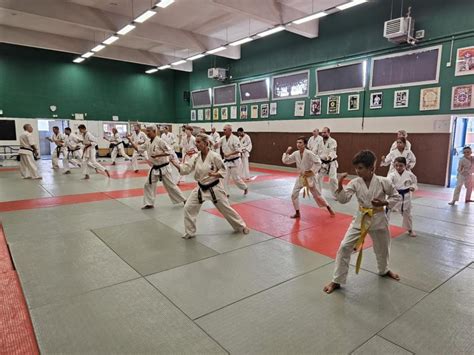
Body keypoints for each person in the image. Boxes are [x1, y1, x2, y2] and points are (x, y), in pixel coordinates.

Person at [323, 150, 401, 294]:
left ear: (372, 168)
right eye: (356, 168)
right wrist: (340, 184)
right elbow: (343, 199)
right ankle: (337, 280)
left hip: (379, 219)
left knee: (383, 248)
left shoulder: (384, 182)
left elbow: (397, 197)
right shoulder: (355, 182)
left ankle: (384, 270)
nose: (357, 171)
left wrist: (384, 202)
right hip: (361, 218)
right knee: (344, 247)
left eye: (361, 168)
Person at [172, 133, 249, 239]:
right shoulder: (196, 156)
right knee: (188, 208)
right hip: (200, 188)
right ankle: (190, 232)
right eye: (196, 142)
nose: (196, 144)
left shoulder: (215, 156)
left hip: (214, 188)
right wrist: (176, 164)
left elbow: (223, 170)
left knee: (226, 209)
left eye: (199, 142)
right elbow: (186, 168)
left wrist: (216, 174)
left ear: (206, 143)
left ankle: (241, 226)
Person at [133, 125, 186, 209]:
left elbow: (169, 152)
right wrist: (130, 141)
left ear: (154, 131)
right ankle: (149, 203)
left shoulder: (160, 141)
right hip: (154, 168)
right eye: (146, 131)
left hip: (164, 167)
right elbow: (139, 149)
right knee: (148, 184)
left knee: (171, 186)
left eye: (149, 131)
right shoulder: (148, 142)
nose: (147, 133)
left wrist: (158, 154)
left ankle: (184, 200)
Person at [282, 137, 335, 218]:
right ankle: (297, 212)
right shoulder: (296, 153)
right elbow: (286, 161)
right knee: (294, 195)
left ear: (305, 144)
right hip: (301, 177)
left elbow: (318, 162)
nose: (298, 144)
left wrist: (312, 171)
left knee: (317, 195)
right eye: (297, 142)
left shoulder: (309, 153)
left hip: (310, 177)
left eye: (300, 143)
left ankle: (328, 207)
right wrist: (287, 151)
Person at [214, 124, 248, 196]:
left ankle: (245, 187)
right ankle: (226, 193)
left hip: (235, 161)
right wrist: (213, 144)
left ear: (230, 130)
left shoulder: (235, 139)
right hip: (227, 161)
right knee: (224, 178)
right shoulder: (223, 138)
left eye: (225, 130)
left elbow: (239, 150)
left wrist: (229, 154)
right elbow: (217, 145)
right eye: (223, 130)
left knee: (236, 178)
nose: (224, 131)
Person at [387, 157, 418, 237]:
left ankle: (410, 229)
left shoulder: (410, 175)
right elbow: (388, 184)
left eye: (401, 166)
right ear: (394, 165)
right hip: (394, 196)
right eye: (396, 165)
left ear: (405, 165)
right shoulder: (392, 175)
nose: (398, 167)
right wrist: (393, 189)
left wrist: (413, 187)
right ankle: (384, 228)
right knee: (386, 211)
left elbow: (414, 183)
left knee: (407, 214)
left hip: (406, 196)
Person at [317, 127, 338, 194]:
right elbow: (315, 151)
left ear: (329, 133)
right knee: (318, 178)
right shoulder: (319, 142)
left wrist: (329, 157)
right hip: (322, 163)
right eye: (322, 132)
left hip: (331, 162)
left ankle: (335, 194)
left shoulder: (333, 141)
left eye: (325, 132)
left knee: (333, 179)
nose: (323, 134)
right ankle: (318, 192)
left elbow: (333, 151)